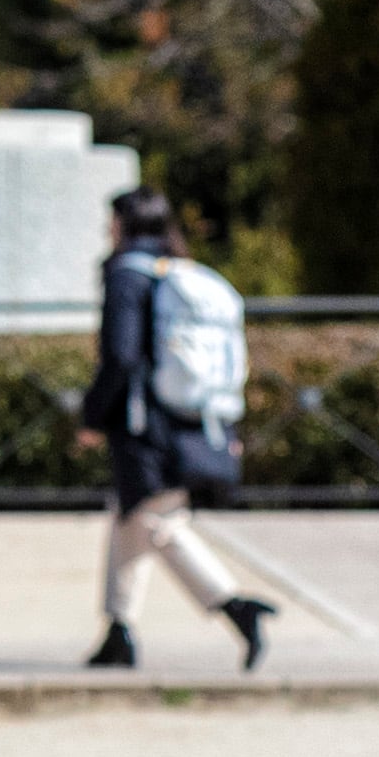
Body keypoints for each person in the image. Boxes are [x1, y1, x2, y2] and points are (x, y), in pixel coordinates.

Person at [77, 187, 278, 672]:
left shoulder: (126, 275)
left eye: (113, 220)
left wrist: (92, 416)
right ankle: (119, 632)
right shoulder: (174, 270)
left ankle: (234, 606)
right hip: (184, 415)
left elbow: (121, 356)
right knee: (132, 518)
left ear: (125, 224)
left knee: (156, 522)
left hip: (143, 423)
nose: (108, 229)